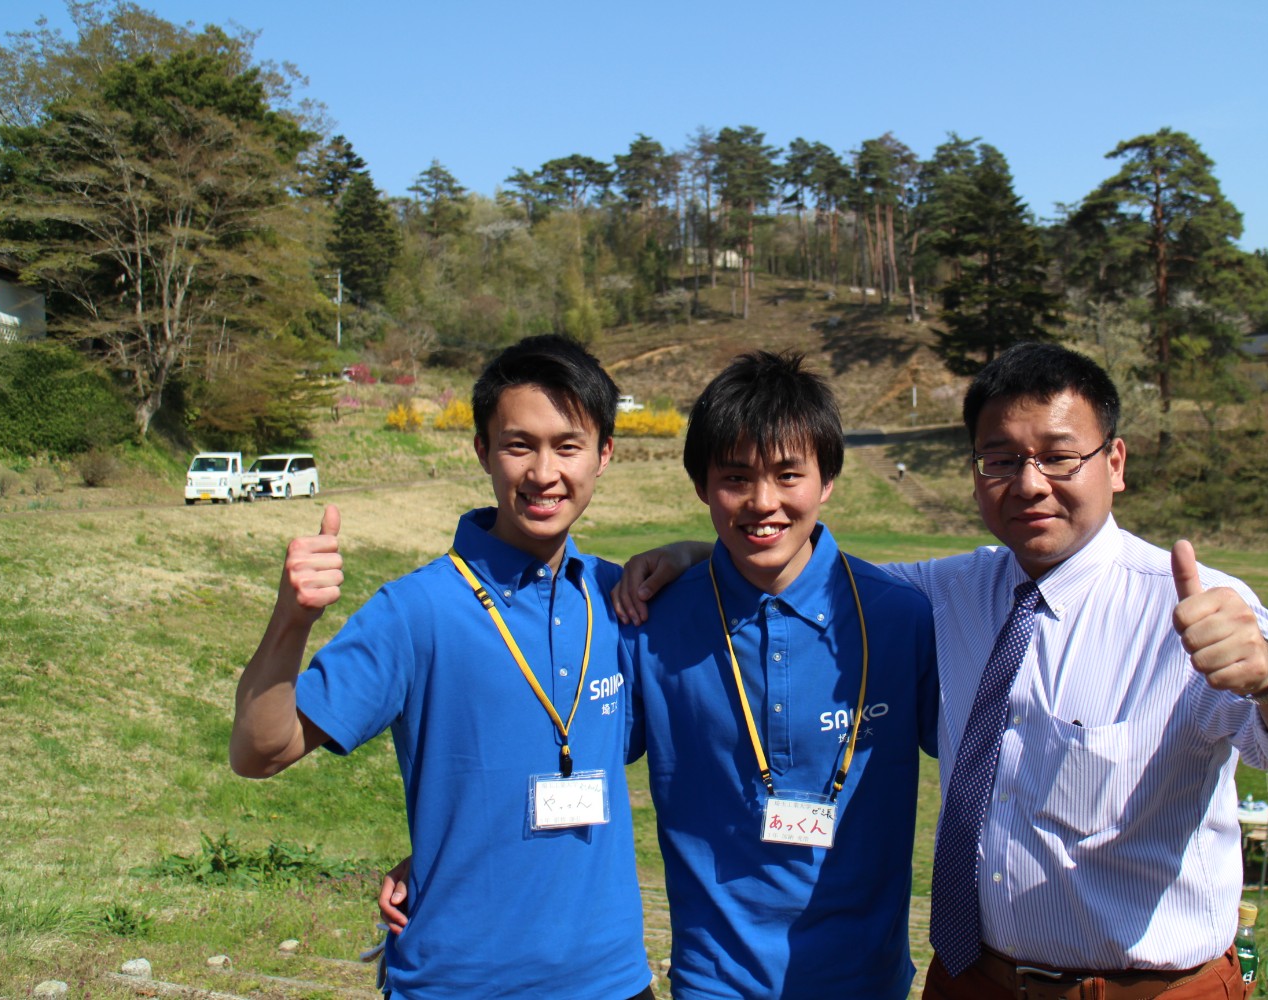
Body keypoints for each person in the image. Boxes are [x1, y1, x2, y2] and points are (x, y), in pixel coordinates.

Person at [615, 343, 1268, 1000]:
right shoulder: (947, 593)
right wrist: (692, 558)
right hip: (972, 982)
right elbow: (795, 565)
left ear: (1114, 461)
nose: (1030, 482)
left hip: (1147, 991)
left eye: (1059, 455)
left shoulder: (1190, 608)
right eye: (1002, 459)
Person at [384, 351, 940, 999]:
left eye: (789, 475)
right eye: (735, 478)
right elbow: (564, 752)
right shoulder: (651, 622)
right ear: (702, 486)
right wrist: (446, 855)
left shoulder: (900, 618)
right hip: (714, 981)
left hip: (865, 980)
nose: (763, 502)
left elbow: (978, 770)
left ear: (828, 479)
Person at [230, 335, 652, 1000]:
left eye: (567, 446)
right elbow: (261, 751)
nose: (544, 472)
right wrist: (290, 621)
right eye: (519, 445)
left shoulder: (622, 599)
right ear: (482, 450)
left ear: (603, 456)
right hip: (458, 983)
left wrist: (689, 555)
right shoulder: (415, 611)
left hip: (611, 982)